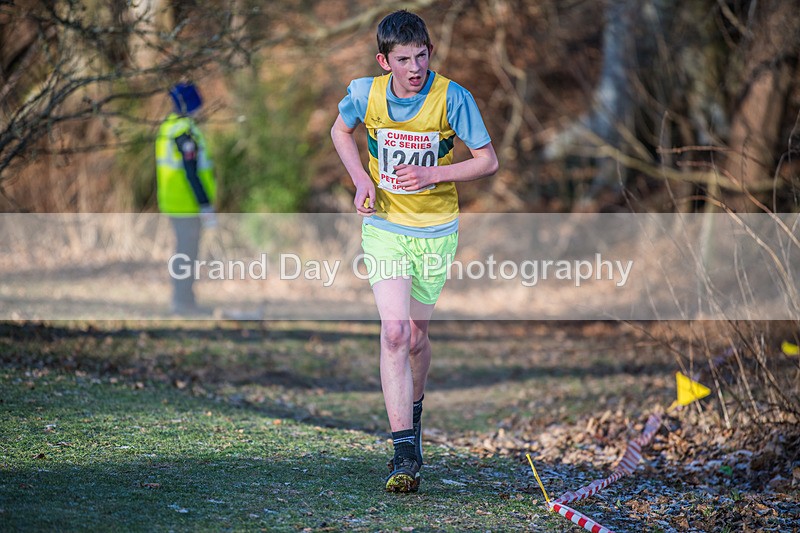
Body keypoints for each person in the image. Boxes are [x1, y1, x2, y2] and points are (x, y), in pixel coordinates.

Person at [330, 10, 498, 492]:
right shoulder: (366, 94)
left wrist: (435, 174)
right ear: (385, 61)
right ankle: (404, 453)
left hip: (436, 232)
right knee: (395, 333)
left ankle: (413, 416)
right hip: (384, 228)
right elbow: (340, 131)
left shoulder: (453, 97)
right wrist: (361, 177)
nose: (415, 67)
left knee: (418, 340)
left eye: (421, 55)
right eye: (403, 59)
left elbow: (487, 161)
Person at [155, 81, 217, 315]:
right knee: (186, 254)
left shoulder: (169, 126)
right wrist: (205, 205)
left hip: (175, 201)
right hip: (186, 203)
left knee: (185, 252)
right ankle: (183, 302)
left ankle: (185, 300)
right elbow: (191, 172)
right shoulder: (184, 132)